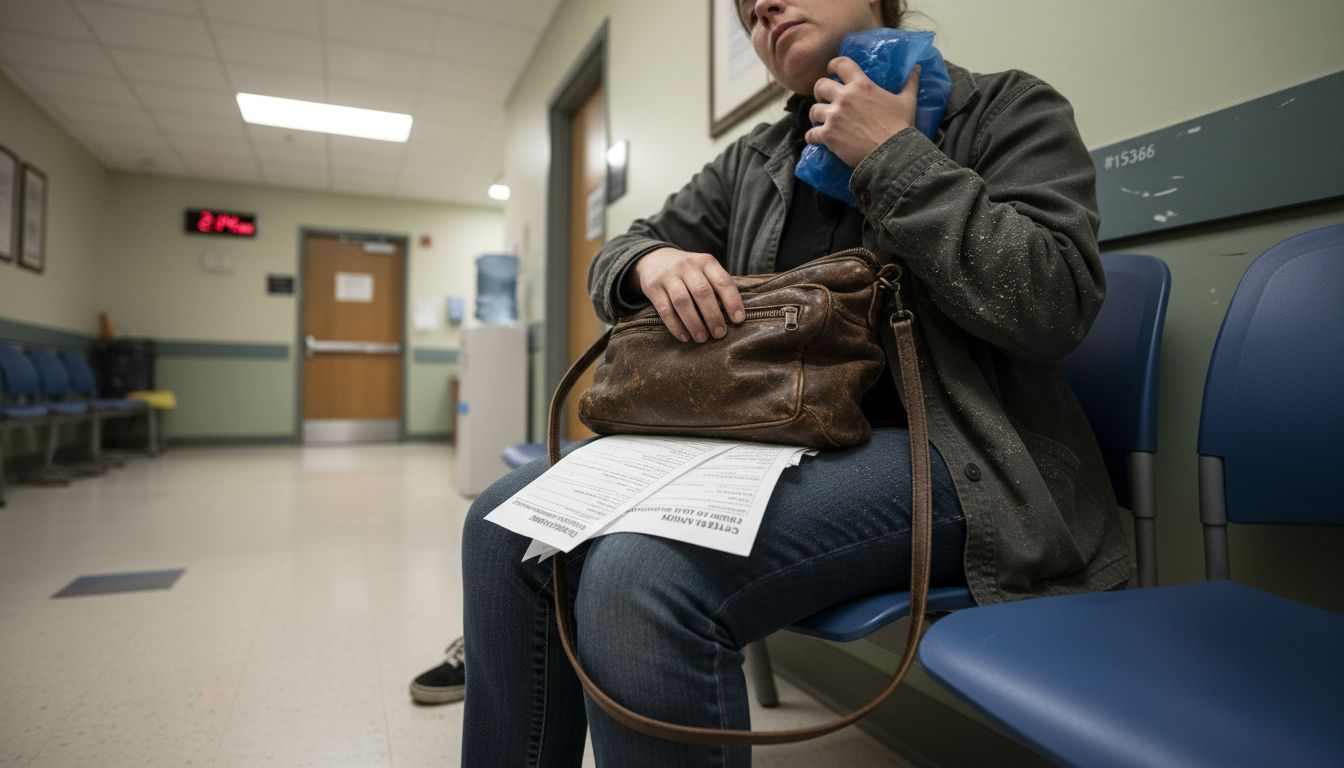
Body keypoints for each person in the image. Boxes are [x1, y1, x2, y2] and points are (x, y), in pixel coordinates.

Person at [460, 0, 1127, 765]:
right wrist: (647, 264)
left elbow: (1056, 304)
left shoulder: (1006, 108)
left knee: (638, 575)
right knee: (504, 523)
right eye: (746, 10)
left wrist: (892, 156)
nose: (764, 8)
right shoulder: (756, 158)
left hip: (957, 456)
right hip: (770, 442)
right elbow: (630, 240)